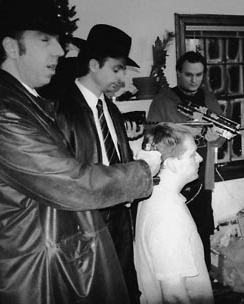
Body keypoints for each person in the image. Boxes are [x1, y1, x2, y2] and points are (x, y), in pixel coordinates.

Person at [0, 1, 160, 303]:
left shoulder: (28, 103)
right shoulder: (6, 115)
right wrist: (145, 169)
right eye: (45, 39)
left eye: (58, 40)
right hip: (33, 271)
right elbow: (72, 181)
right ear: (11, 47)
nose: (60, 51)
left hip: (62, 253)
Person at [53, 24, 144, 304]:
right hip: (87, 222)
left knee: (125, 288)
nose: (122, 78)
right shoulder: (62, 110)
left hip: (120, 217)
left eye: (124, 71)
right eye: (117, 69)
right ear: (93, 65)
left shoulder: (111, 109)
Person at [147, 51, 226, 271]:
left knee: (201, 226)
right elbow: (153, 139)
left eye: (199, 75)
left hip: (201, 175)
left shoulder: (209, 99)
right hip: (172, 176)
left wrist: (215, 138)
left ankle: (203, 276)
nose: (194, 80)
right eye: (189, 75)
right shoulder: (163, 100)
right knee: (176, 228)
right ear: (178, 74)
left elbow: (221, 137)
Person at [134, 123, 213, 304]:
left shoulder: (151, 195)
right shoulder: (170, 217)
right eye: (192, 154)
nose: (200, 158)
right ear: (172, 165)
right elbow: (174, 295)